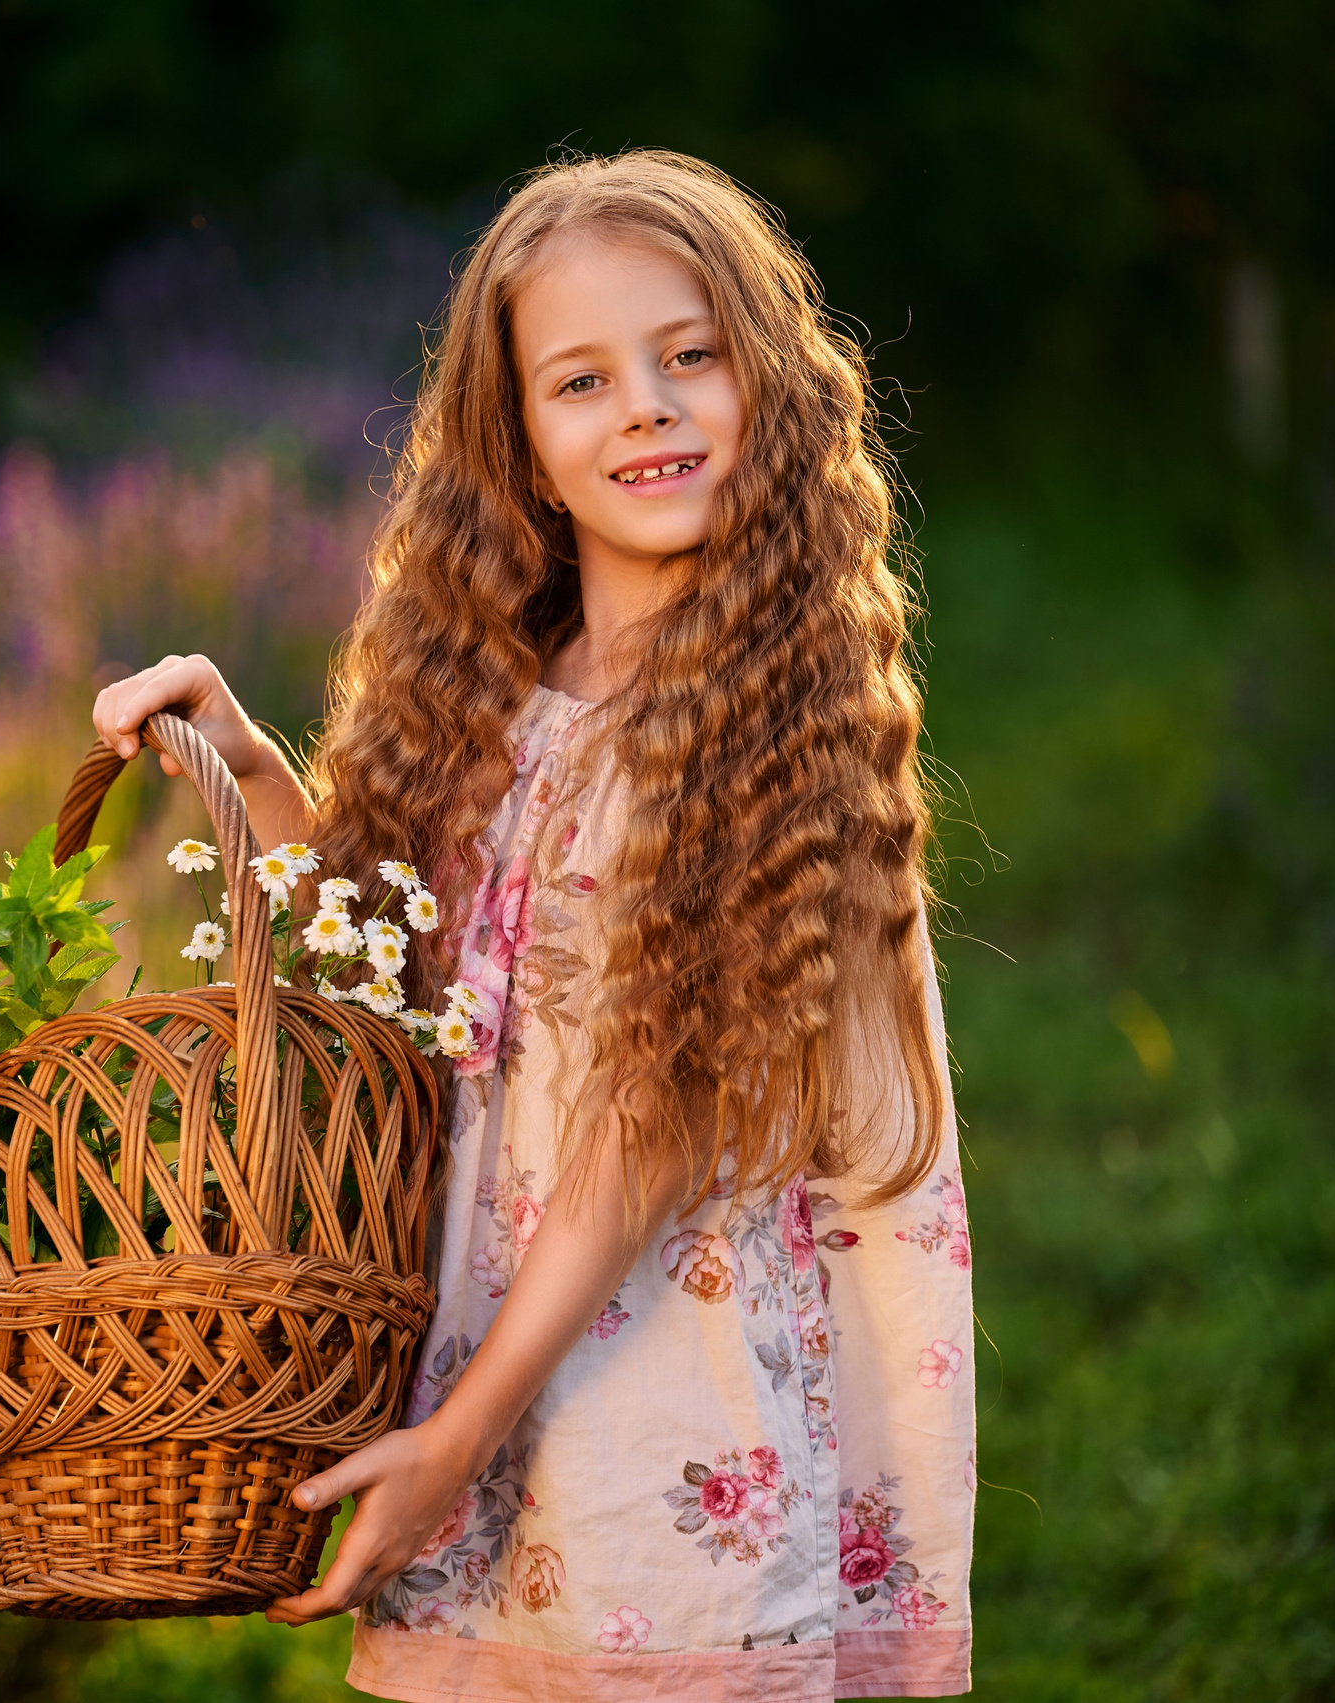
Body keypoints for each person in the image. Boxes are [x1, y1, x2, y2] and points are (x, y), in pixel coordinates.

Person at [92, 150, 973, 1702]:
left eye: (691, 355)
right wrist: (251, 762)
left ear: (770, 389)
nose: (646, 408)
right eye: (582, 382)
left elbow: (656, 1113)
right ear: (523, 449)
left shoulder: (779, 714)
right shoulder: (505, 705)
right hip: (489, 1393)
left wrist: (457, 1436)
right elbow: (398, 975)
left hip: (668, 1425)